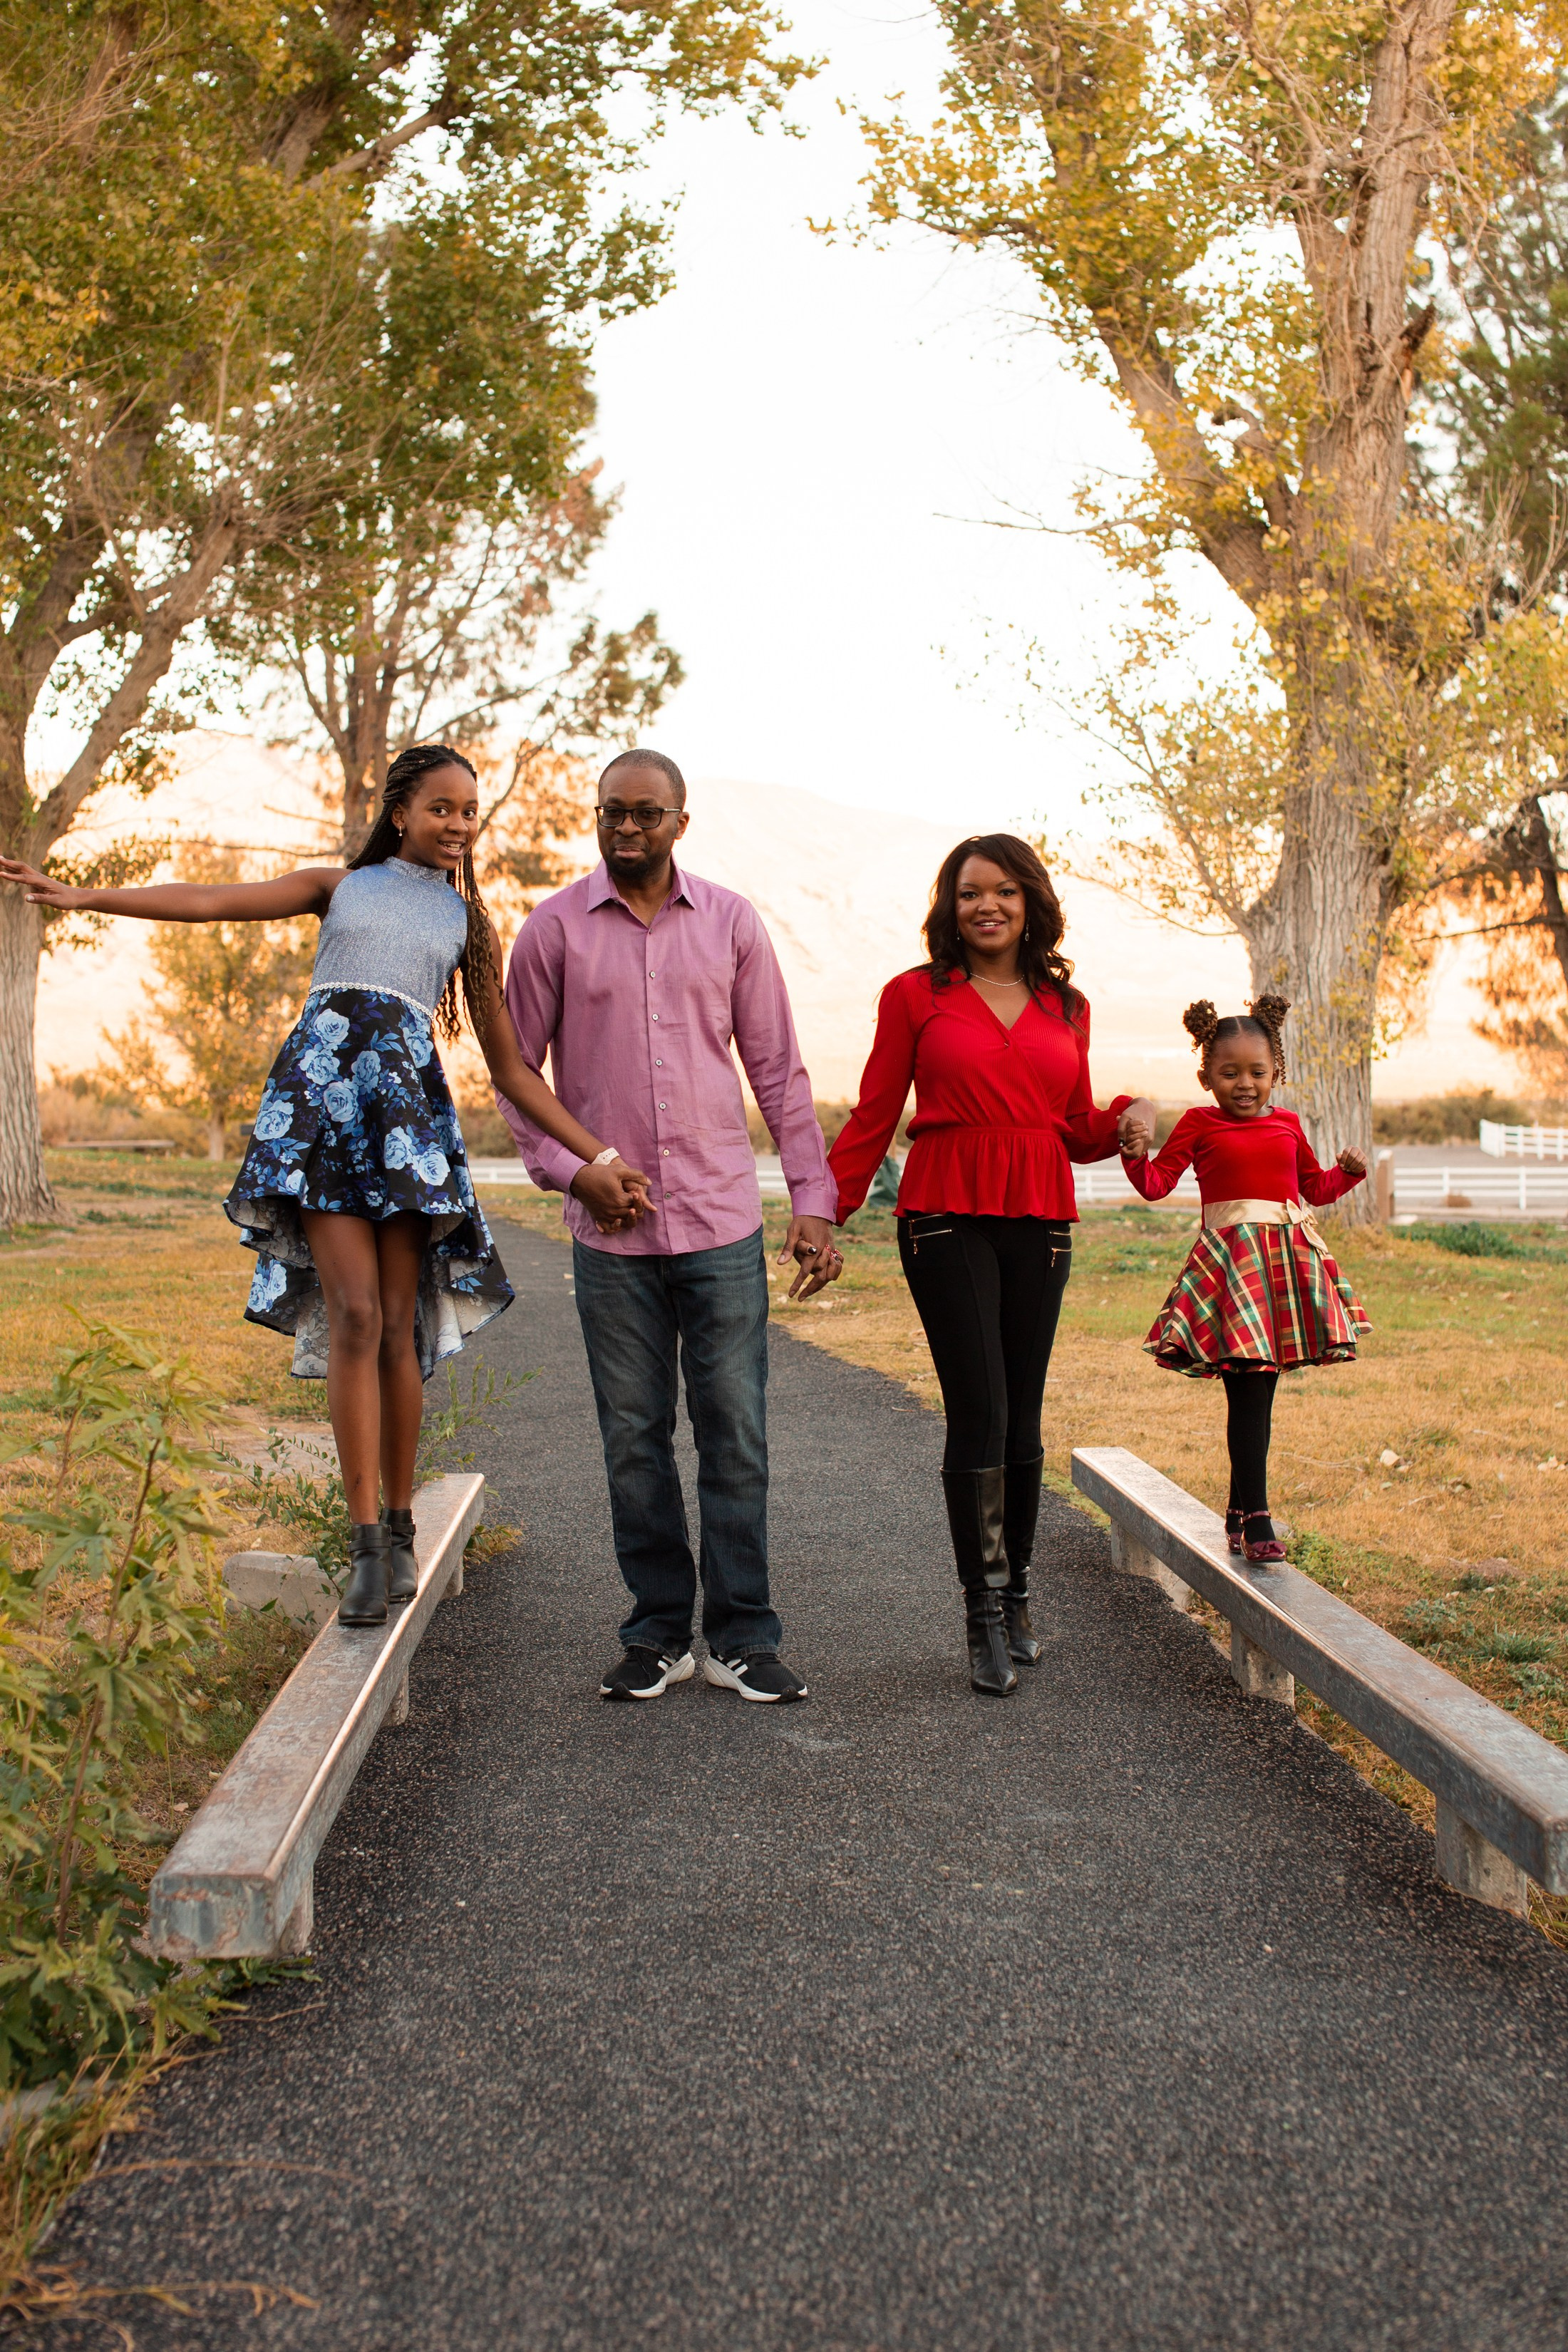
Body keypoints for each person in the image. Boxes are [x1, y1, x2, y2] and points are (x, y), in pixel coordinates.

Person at [0, 745, 650, 1626]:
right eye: (441, 808)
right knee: (352, 1316)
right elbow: (208, 902)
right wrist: (83, 896)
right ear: (399, 814)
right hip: (320, 1115)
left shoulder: (467, 926)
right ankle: (364, 1549)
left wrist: (596, 1156)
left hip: (406, 1128)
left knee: (396, 1325)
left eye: (470, 811)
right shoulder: (339, 887)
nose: (459, 825)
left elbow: (515, 1073)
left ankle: (401, 1521)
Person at [501, 748, 839, 1705]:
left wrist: (812, 1201)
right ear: (597, 815)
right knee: (634, 1435)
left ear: (679, 823)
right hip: (611, 1242)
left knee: (735, 1433)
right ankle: (655, 1634)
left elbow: (778, 1071)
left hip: (722, 1223)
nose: (628, 828)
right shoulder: (553, 930)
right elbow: (518, 1079)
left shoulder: (731, 922)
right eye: (613, 811)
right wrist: (576, 1174)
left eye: (647, 813)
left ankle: (742, 1636)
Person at [827, 835, 1155, 1697]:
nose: (988, 907)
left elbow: (1071, 1123)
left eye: (1005, 892)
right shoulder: (914, 996)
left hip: (1039, 1214)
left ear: (1030, 903)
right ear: (949, 904)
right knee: (979, 1408)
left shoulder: (1066, 1004)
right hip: (944, 1214)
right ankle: (979, 1610)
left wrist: (1127, 1113)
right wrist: (824, 1215)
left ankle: (1016, 1597)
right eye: (971, 892)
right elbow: (873, 1113)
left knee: (1024, 1417)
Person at [1118, 996, 1368, 1564]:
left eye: (1258, 1072)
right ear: (1206, 1076)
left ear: (1276, 1072)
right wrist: (1135, 1155)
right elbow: (1157, 1184)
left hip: (1284, 1268)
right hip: (1231, 1274)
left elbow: (1315, 1187)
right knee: (1248, 1394)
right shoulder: (1198, 1124)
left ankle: (1239, 1509)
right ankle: (1257, 1517)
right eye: (1229, 1073)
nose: (1245, 1084)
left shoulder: (1287, 1123)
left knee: (1260, 1395)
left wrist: (1347, 1175)